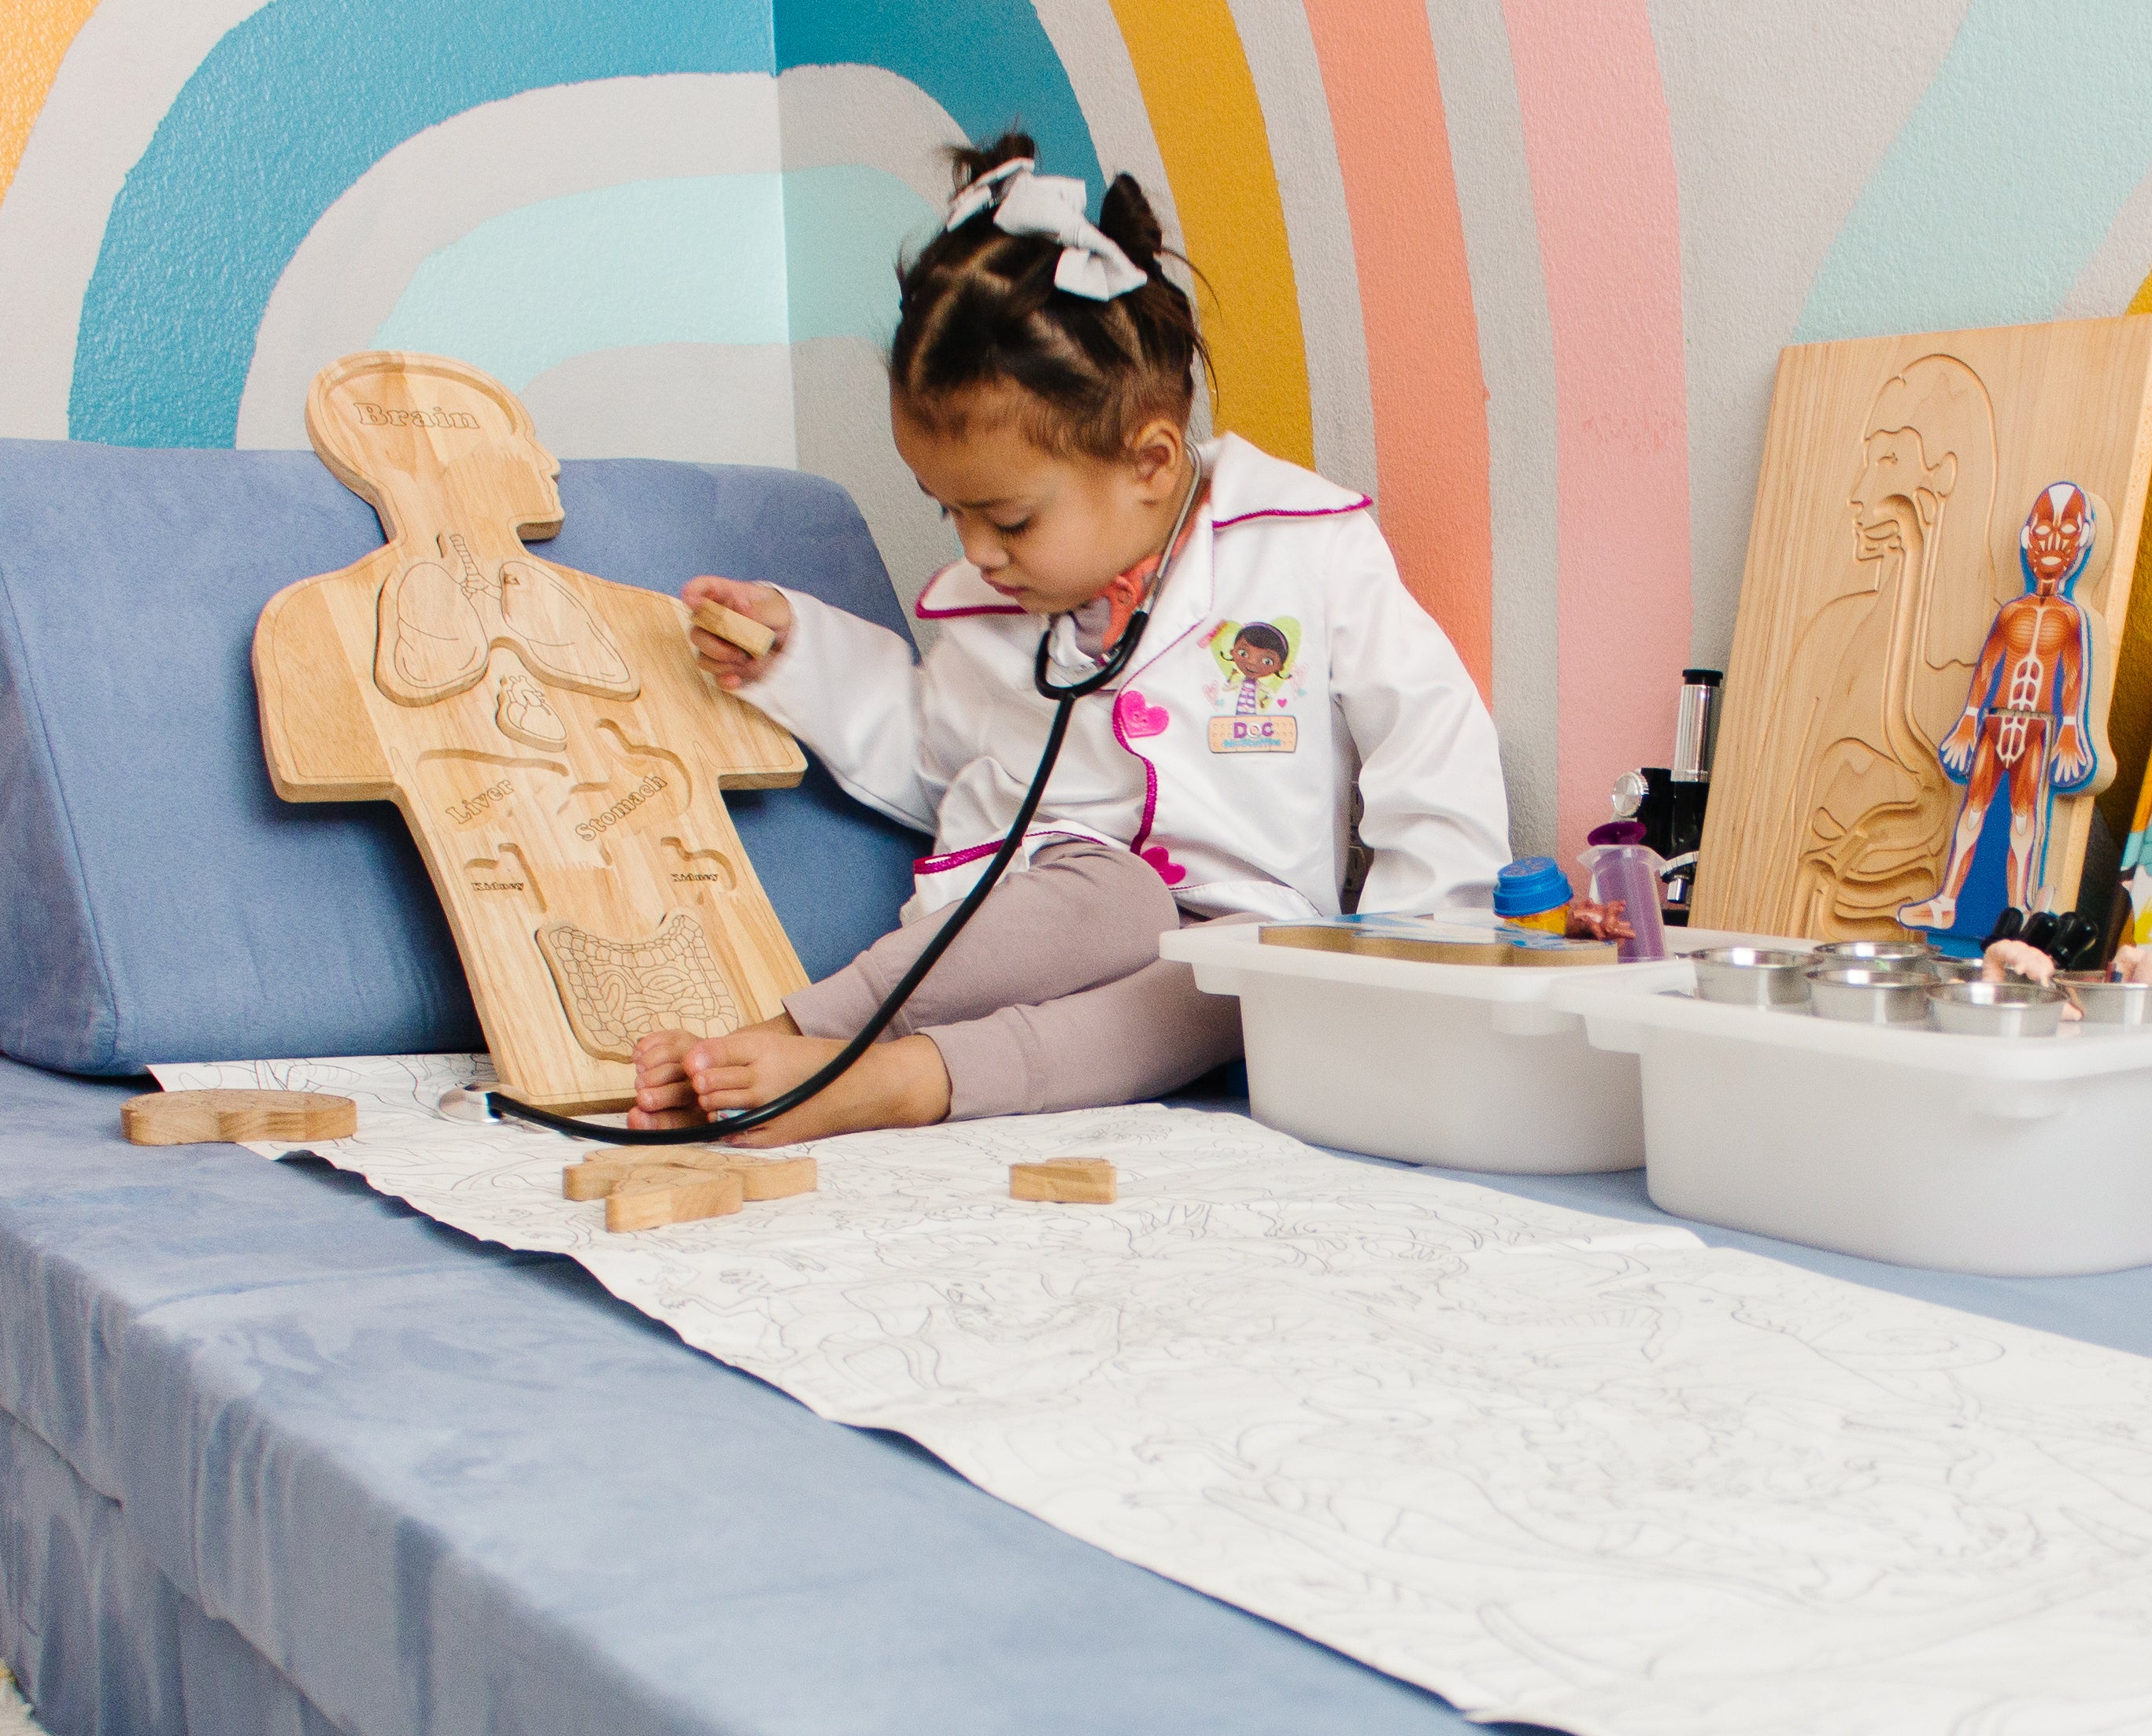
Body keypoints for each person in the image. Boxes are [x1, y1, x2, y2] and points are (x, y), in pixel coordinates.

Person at [635, 134, 1507, 1142]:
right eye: (947, 513)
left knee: (1232, 984)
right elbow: (936, 753)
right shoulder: (983, 608)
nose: (978, 553)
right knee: (1113, 898)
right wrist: (796, 658)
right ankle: (810, 1026)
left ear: (1149, 460)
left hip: (1235, 955)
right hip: (1045, 909)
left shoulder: (1304, 551)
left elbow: (1429, 744)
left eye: (1007, 521)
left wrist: (1404, 952)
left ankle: (898, 1081)